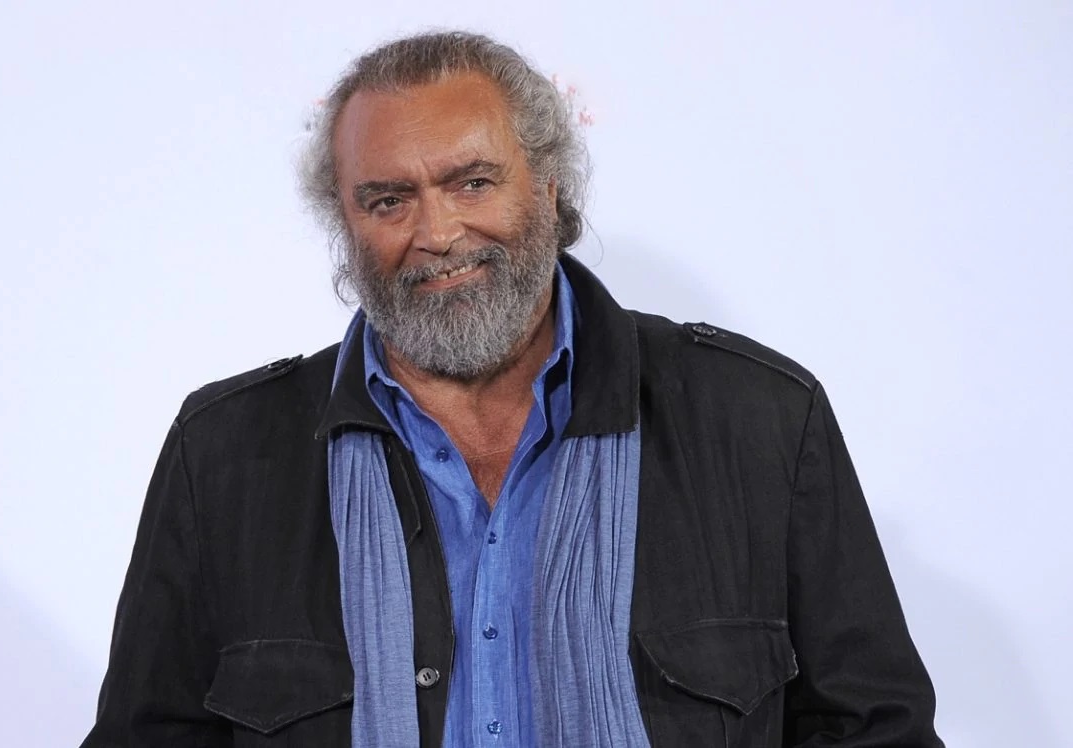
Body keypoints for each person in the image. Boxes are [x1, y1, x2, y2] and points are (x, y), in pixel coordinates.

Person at [82, 30, 943, 748]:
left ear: (549, 184)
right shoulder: (226, 456)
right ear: (345, 223)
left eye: (472, 182)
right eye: (388, 200)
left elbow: (877, 732)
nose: (438, 232)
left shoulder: (758, 422)